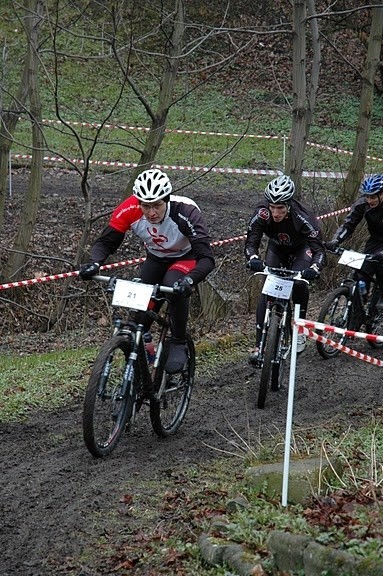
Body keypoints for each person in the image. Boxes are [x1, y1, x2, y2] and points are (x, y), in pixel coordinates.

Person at [79, 168, 215, 373]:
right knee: (139, 315)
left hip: (186, 258)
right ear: (138, 202)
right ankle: (141, 367)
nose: (151, 212)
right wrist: (95, 262)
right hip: (156, 258)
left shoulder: (186, 212)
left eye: (157, 205)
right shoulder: (130, 208)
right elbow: (107, 241)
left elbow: (206, 258)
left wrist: (189, 281)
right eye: (145, 206)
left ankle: (178, 341)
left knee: (172, 285)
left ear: (167, 200)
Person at [244, 174, 326, 363]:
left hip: (301, 250)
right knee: (267, 289)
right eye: (272, 207)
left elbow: (318, 250)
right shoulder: (262, 213)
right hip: (277, 248)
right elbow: (251, 241)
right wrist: (253, 258)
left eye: (280, 208)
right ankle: (259, 346)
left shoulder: (303, 216)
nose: (275, 213)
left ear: (289, 205)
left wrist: (314, 268)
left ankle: (300, 329)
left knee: (298, 284)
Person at [326, 173, 383, 298]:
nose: (370, 200)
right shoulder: (362, 203)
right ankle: (357, 312)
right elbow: (348, 224)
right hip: (375, 241)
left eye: (373, 197)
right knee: (361, 273)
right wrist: (336, 240)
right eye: (367, 197)